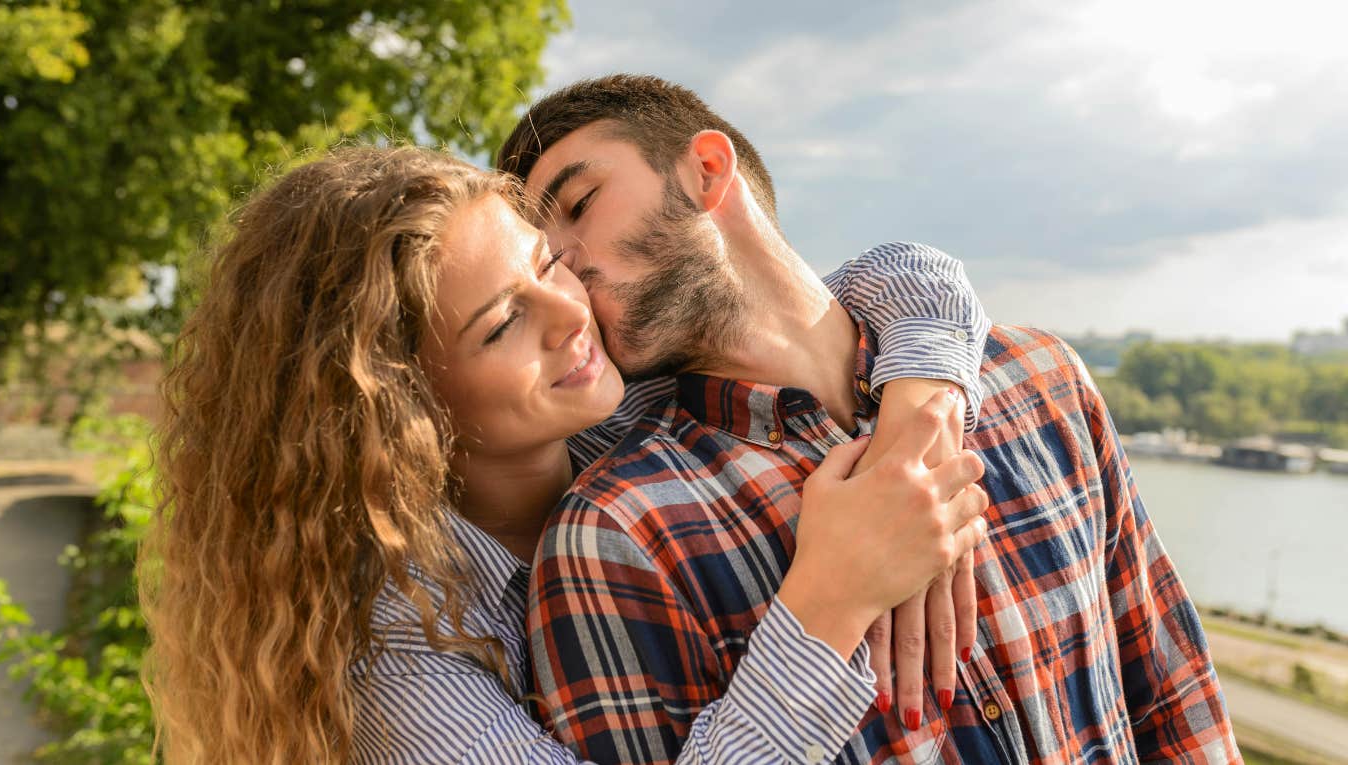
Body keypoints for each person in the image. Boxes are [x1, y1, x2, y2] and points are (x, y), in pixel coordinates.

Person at [140, 145, 996, 763]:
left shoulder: (626, 408)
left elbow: (894, 279)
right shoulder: (397, 652)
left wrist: (916, 426)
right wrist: (830, 600)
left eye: (550, 261)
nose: (570, 312)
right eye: (504, 323)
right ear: (399, 406)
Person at [498, 74, 1240, 763]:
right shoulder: (613, 538)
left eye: (579, 204)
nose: (564, 265)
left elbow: (1175, 703)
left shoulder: (1043, 380)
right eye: (543, 259)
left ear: (708, 171)